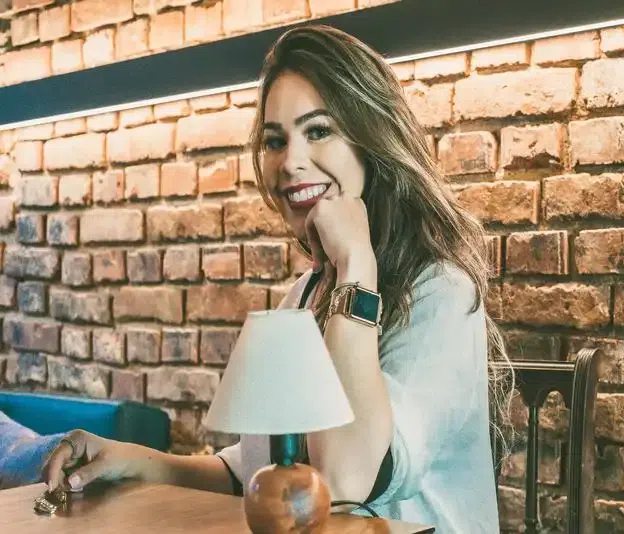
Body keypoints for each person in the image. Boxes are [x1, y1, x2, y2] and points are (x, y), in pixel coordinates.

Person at [42, 24, 514, 533]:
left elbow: (344, 477)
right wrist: (130, 460)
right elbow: (255, 472)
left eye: (319, 131)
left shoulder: (442, 291)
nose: (290, 162)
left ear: (371, 141)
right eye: (274, 140)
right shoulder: (305, 295)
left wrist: (357, 264)